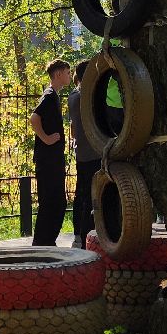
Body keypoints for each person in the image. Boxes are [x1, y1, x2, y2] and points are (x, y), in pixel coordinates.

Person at [29, 58, 72, 246]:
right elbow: (34, 118)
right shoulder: (48, 95)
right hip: (47, 160)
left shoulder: (54, 95)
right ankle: (41, 242)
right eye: (68, 72)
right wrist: (45, 138)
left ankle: (48, 240)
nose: (70, 76)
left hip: (53, 158)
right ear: (58, 74)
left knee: (58, 202)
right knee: (51, 201)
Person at [66, 60, 99, 248]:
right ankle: (84, 234)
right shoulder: (83, 96)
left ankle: (79, 234)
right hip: (91, 152)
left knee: (82, 194)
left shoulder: (73, 95)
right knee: (88, 195)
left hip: (84, 153)